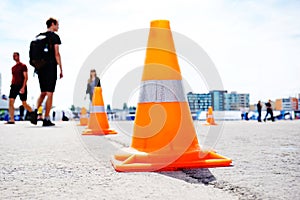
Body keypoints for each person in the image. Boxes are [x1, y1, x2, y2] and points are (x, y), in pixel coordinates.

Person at [35, 17, 63, 127]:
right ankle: (46, 118)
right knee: (50, 93)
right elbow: (57, 53)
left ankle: (37, 113)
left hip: (40, 67)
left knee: (43, 93)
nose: (58, 27)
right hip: (50, 67)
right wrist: (61, 68)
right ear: (52, 24)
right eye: (57, 24)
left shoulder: (39, 36)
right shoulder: (55, 37)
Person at [6, 52, 36, 124]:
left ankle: (33, 114)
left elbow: (26, 77)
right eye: (13, 56)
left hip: (21, 85)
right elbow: (13, 77)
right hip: (13, 86)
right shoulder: (13, 68)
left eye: (15, 56)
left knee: (24, 103)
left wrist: (23, 87)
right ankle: (12, 119)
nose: (14, 57)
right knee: (11, 101)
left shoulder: (23, 66)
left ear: (18, 56)